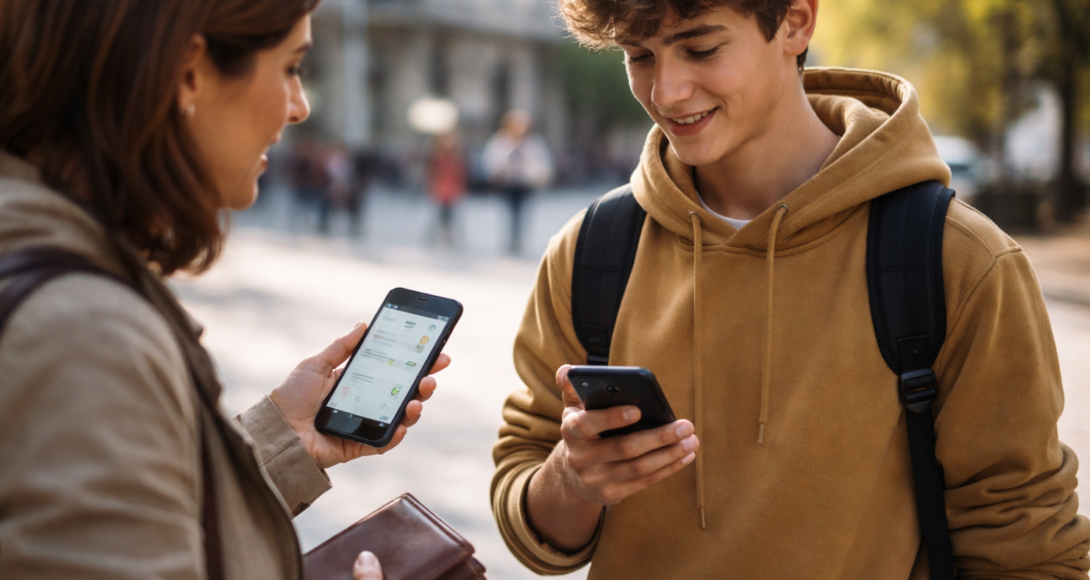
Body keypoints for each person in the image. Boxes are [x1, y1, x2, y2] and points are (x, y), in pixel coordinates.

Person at [491, 0, 1090, 578]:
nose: (666, 91)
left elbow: (1026, 549)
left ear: (795, 21)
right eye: (638, 56)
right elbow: (532, 521)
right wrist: (572, 480)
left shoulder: (958, 260)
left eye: (700, 48)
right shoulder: (592, 249)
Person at [0, 1, 447, 578]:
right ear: (188, 71)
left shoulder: (1, 236)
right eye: (291, 67)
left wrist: (278, 439)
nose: (300, 106)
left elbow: (127, 515)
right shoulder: (81, 331)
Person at [482, 109, 553, 255]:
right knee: (508, 212)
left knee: (522, 213)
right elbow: (490, 162)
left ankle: (518, 239)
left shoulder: (534, 143)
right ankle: (510, 239)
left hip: (524, 184)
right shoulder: (500, 141)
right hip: (507, 183)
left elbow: (542, 164)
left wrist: (535, 174)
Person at [425, 132, 468, 246]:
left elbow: (460, 173)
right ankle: (435, 235)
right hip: (440, 190)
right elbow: (432, 173)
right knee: (438, 215)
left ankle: (449, 236)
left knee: (451, 216)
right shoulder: (437, 156)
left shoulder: (456, 156)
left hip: (452, 190)